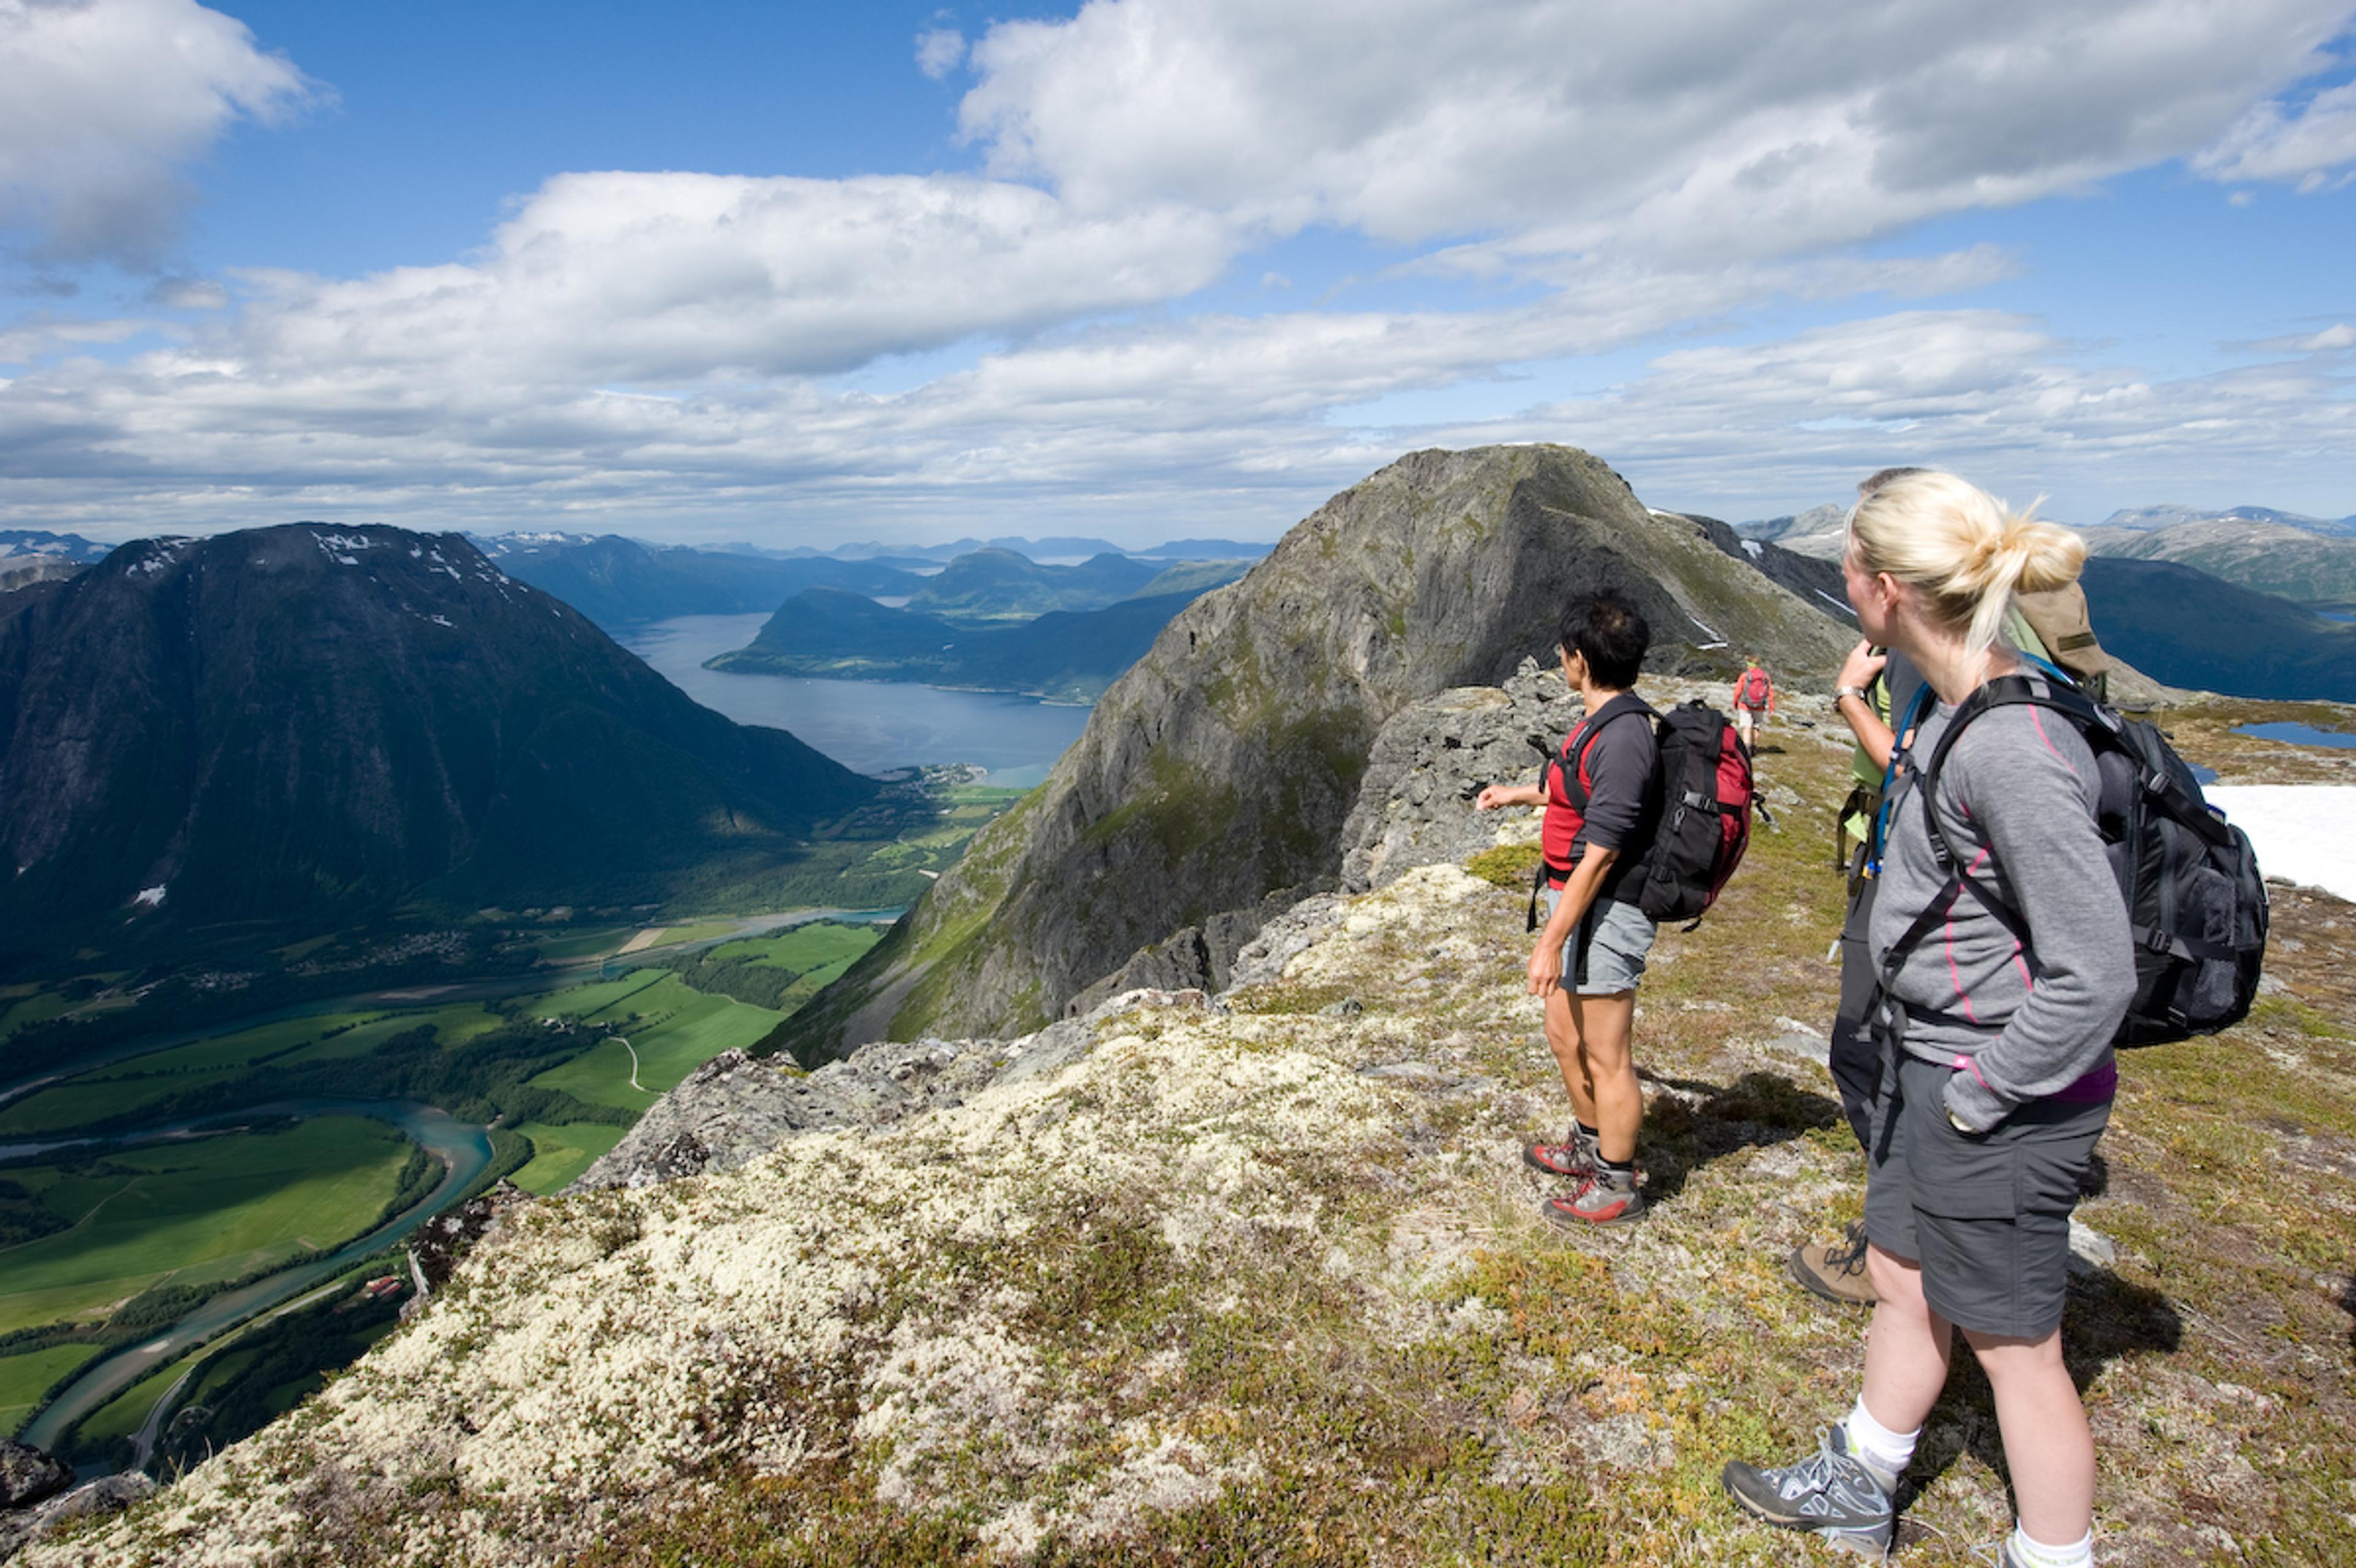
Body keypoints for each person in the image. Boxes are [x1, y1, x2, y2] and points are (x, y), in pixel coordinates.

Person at [1722, 469, 2135, 1568]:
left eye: (1851, 567)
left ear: (1888, 590)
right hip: (1934, 1067)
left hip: (1990, 1090)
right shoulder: (1954, 704)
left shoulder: (2014, 743)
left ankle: (2053, 1555)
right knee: (1905, 1277)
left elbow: (2095, 972)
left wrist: (1982, 1092)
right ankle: (1863, 1476)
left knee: (2017, 1350)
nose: (1841, 581)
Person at [1474, 590, 1660, 1228]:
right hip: (1573, 900)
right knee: (1564, 1036)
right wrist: (1518, 795)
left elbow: (1603, 853)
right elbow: (1568, 785)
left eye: (1563, 651)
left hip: (1606, 908)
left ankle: (1617, 1182)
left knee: (1607, 1052)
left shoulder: (1627, 738)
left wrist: (1550, 940)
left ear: (1579, 658)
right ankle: (1587, 1142)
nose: (1560, 659)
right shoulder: (1598, 721)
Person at [1731, 658, 1774, 751]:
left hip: (1745, 705)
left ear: (1749, 665)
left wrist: (1735, 702)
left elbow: (1738, 691)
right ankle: (1754, 746)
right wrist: (1771, 708)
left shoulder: (1745, 676)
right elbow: (1770, 692)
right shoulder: (1766, 677)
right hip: (1760, 706)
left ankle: (1747, 749)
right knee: (1757, 727)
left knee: (1747, 727)